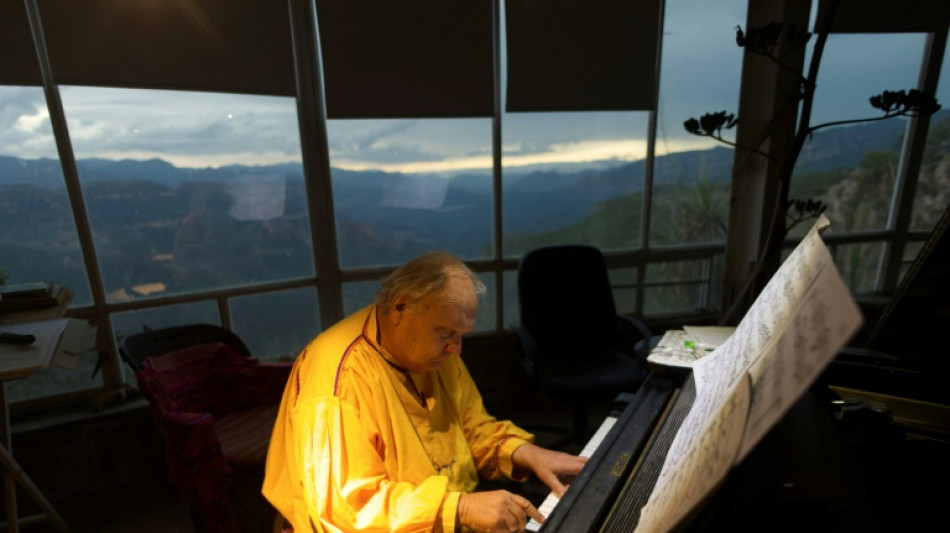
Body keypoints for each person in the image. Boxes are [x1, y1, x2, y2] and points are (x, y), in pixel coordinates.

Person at [263, 250, 587, 532]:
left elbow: (471, 429)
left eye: (461, 334)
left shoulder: (436, 351)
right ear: (401, 307)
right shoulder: (339, 381)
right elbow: (350, 511)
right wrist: (462, 508)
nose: (456, 349)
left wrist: (528, 454)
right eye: (446, 332)